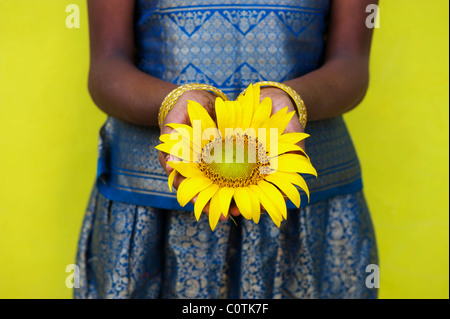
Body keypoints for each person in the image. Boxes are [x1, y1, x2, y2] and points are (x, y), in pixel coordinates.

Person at [75, 0, 379, 298]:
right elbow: (107, 63)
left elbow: (351, 61)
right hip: (150, 203)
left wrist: (291, 99)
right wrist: (172, 103)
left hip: (304, 203)